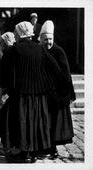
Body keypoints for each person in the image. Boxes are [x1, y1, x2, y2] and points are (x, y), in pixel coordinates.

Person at [0, 21, 62, 163]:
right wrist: (45, 84)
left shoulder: (12, 50)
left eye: (15, 32)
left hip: (20, 95)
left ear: (20, 33)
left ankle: (23, 154)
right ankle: (34, 153)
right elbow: (56, 69)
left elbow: (5, 75)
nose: (14, 35)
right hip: (39, 95)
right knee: (35, 122)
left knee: (22, 123)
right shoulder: (40, 49)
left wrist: (1, 96)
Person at [39, 20, 75, 159]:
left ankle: (53, 148)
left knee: (55, 123)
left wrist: (65, 93)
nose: (48, 42)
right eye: (45, 39)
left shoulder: (59, 51)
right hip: (44, 92)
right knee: (44, 121)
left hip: (58, 93)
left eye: (50, 39)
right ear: (41, 39)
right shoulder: (39, 50)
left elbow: (66, 74)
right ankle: (44, 147)